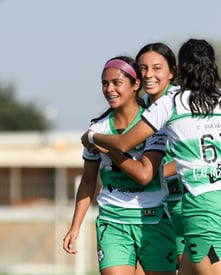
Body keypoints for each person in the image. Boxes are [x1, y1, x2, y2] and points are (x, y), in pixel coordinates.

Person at [81, 38, 221, 275]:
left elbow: (124, 142)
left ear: (181, 70)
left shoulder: (172, 103)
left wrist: (93, 138)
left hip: (204, 209)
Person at [63, 56, 177, 275]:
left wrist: (109, 149)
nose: (109, 89)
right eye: (105, 83)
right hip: (112, 221)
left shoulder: (153, 125)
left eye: (117, 83)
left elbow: (146, 176)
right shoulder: (97, 128)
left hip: (152, 220)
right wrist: (75, 226)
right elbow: (88, 181)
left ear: (136, 85)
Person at [135, 42, 185, 268]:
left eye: (156, 68)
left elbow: (196, 153)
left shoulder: (183, 101)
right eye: (143, 68)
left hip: (182, 203)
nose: (148, 75)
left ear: (172, 72)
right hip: (148, 205)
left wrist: (157, 173)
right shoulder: (137, 104)